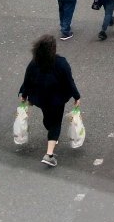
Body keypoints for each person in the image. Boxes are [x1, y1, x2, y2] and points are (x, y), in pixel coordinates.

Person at [18, 34, 81, 168]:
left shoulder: (34, 63)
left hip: (40, 98)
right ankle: (49, 154)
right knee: (56, 123)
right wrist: (76, 96)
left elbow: (27, 80)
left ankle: (51, 134)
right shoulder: (61, 63)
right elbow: (69, 81)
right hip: (57, 99)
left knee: (48, 119)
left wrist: (23, 94)